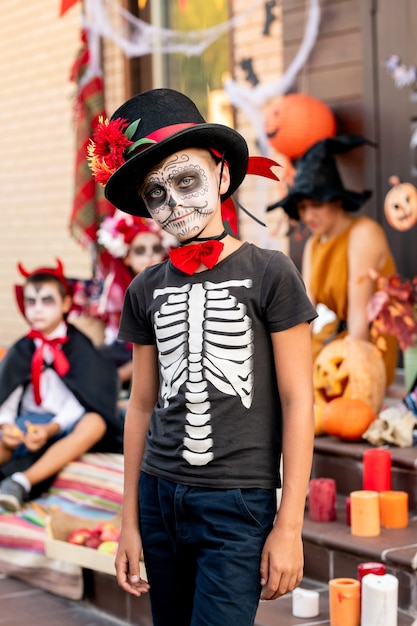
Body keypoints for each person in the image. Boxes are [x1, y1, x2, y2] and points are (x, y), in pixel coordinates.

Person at [88, 88, 317, 625]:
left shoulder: (270, 272)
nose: (174, 205)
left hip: (236, 503)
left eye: (186, 180)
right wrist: (130, 520)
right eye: (156, 194)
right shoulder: (145, 288)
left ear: (220, 175)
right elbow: (141, 405)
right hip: (158, 495)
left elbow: (298, 399)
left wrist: (289, 525)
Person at [267, 135, 398, 386]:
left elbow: (360, 320)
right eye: (303, 207)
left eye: (316, 204)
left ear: (337, 199)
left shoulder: (363, 233)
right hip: (335, 338)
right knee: (285, 379)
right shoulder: (314, 244)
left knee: (322, 391)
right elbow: (306, 314)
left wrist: (354, 378)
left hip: (369, 344)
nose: (308, 215)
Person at [0, 259, 120, 512]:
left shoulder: (80, 346)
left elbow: (82, 399)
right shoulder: (22, 348)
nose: (37, 310)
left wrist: (52, 429)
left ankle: (21, 482)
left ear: (65, 304)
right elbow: (8, 394)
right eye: (31, 302)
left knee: (95, 423)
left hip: (67, 423)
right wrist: (7, 425)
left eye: (47, 301)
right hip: (28, 422)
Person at [96, 210, 173, 387]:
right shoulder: (115, 291)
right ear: (127, 257)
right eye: (140, 251)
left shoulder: (177, 287)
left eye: (156, 249)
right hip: (126, 353)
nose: (149, 256)